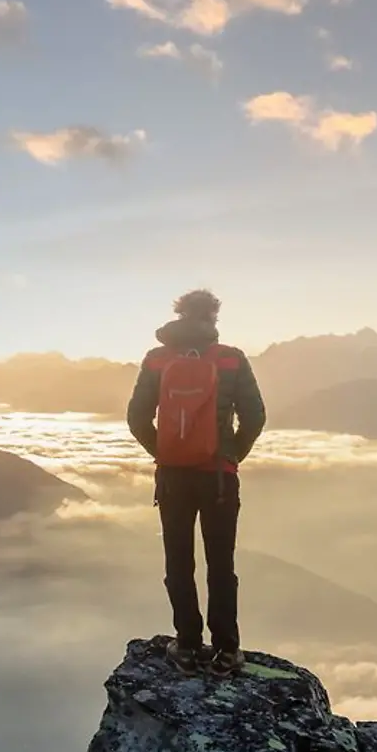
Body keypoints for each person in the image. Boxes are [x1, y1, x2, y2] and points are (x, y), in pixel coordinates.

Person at [127, 289, 266, 677]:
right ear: (213, 319)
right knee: (221, 564)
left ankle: (186, 645)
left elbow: (136, 417)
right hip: (219, 478)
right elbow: (255, 417)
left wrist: (165, 452)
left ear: (179, 314)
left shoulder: (157, 359)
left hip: (172, 479)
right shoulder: (230, 359)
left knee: (178, 559)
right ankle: (226, 651)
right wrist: (230, 453)